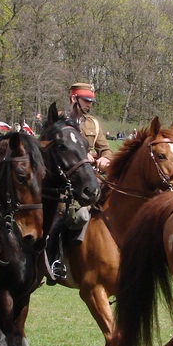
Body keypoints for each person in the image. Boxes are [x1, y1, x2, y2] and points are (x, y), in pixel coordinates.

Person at [45, 82, 112, 281]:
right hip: (65, 181)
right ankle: (54, 259)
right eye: (85, 100)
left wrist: (105, 158)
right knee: (78, 216)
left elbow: (105, 148)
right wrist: (85, 156)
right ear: (74, 98)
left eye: (91, 101)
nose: (89, 105)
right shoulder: (59, 121)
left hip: (90, 179)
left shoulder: (94, 124)